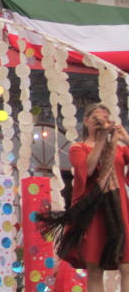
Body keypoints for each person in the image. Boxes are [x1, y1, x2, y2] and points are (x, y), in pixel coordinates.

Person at [39, 103, 129, 292]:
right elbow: (86, 170)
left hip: (119, 211)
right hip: (93, 213)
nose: (101, 121)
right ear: (86, 121)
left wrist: (125, 139)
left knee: (127, 267)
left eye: (105, 117)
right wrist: (101, 142)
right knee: (95, 270)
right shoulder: (78, 148)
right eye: (96, 117)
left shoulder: (120, 150)